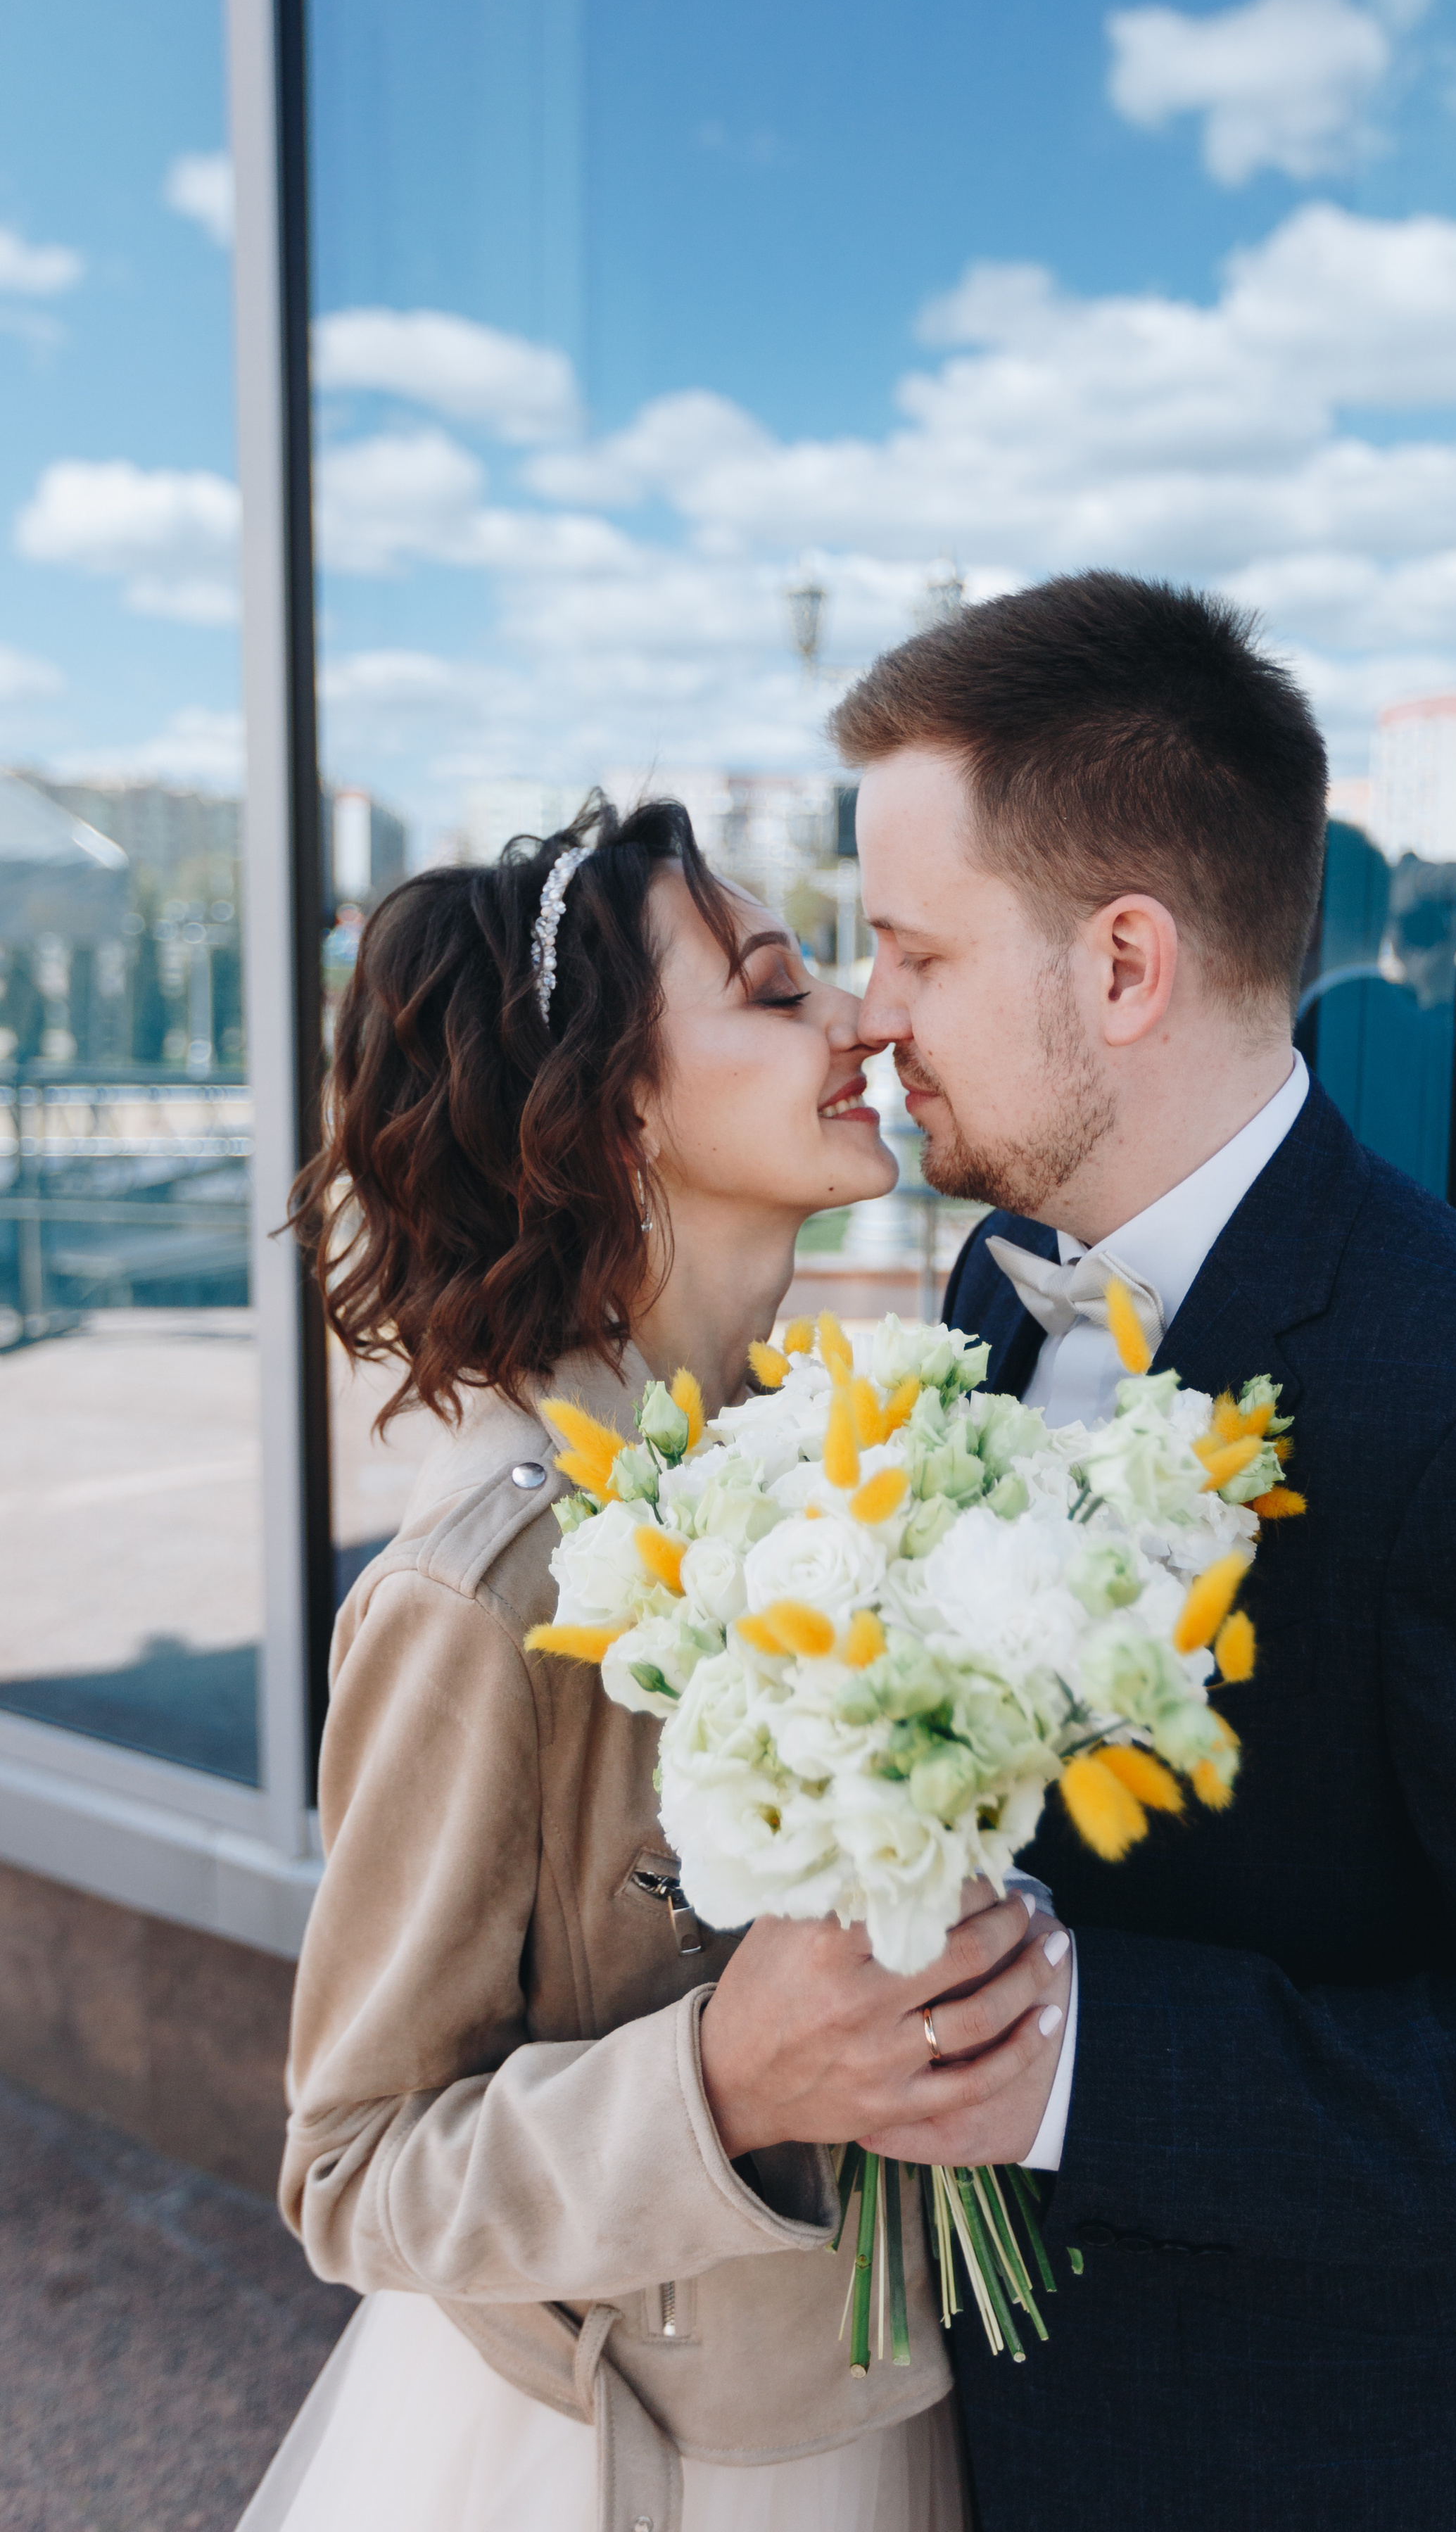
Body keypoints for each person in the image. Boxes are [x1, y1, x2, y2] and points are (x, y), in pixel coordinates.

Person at [839, 572, 1456, 2532]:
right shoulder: (990, 1294)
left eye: (909, 955)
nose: (867, 1021)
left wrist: (1083, 2057)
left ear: (1123, 965)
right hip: (1002, 2448)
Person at [244, 795, 1072, 2532]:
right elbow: (350, 2171)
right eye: (777, 993)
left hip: (887, 2407)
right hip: (626, 2469)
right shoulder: (487, 1583)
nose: (859, 1018)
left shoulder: (836, 1463)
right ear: (615, 1104)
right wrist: (718, 2085)